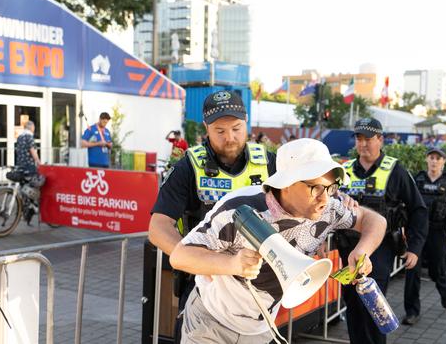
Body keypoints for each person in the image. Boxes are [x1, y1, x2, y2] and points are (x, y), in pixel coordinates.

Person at [169, 138, 388, 343]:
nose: (325, 198)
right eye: (316, 188)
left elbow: (374, 220)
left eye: (331, 187)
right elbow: (180, 256)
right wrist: (232, 264)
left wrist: (363, 250)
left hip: (261, 328)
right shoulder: (239, 209)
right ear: (286, 184)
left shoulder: (328, 207)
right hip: (210, 322)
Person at [148, 90, 277, 341]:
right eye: (220, 131)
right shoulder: (189, 166)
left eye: (237, 128)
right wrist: (195, 259)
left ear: (247, 122)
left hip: (255, 292)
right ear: (206, 128)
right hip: (203, 288)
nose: (230, 137)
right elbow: (158, 226)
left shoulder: (269, 163)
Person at [336, 117, 428, 343]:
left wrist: (414, 247)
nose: (363, 144)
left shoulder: (395, 171)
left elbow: (418, 210)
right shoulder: (344, 170)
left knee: (373, 305)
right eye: (359, 138)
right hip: (347, 250)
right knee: (354, 307)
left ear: (380, 140)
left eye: (368, 139)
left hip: (380, 250)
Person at [404, 147, 446, 323]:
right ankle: (412, 312)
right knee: (412, 270)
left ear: (443, 161)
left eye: (438, 158)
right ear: (427, 159)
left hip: (439, 231)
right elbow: (407, 203)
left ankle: (445, 294)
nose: (434, 161)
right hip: (418, 231)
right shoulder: (418, 179)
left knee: (437, 270)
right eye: (431, 157)